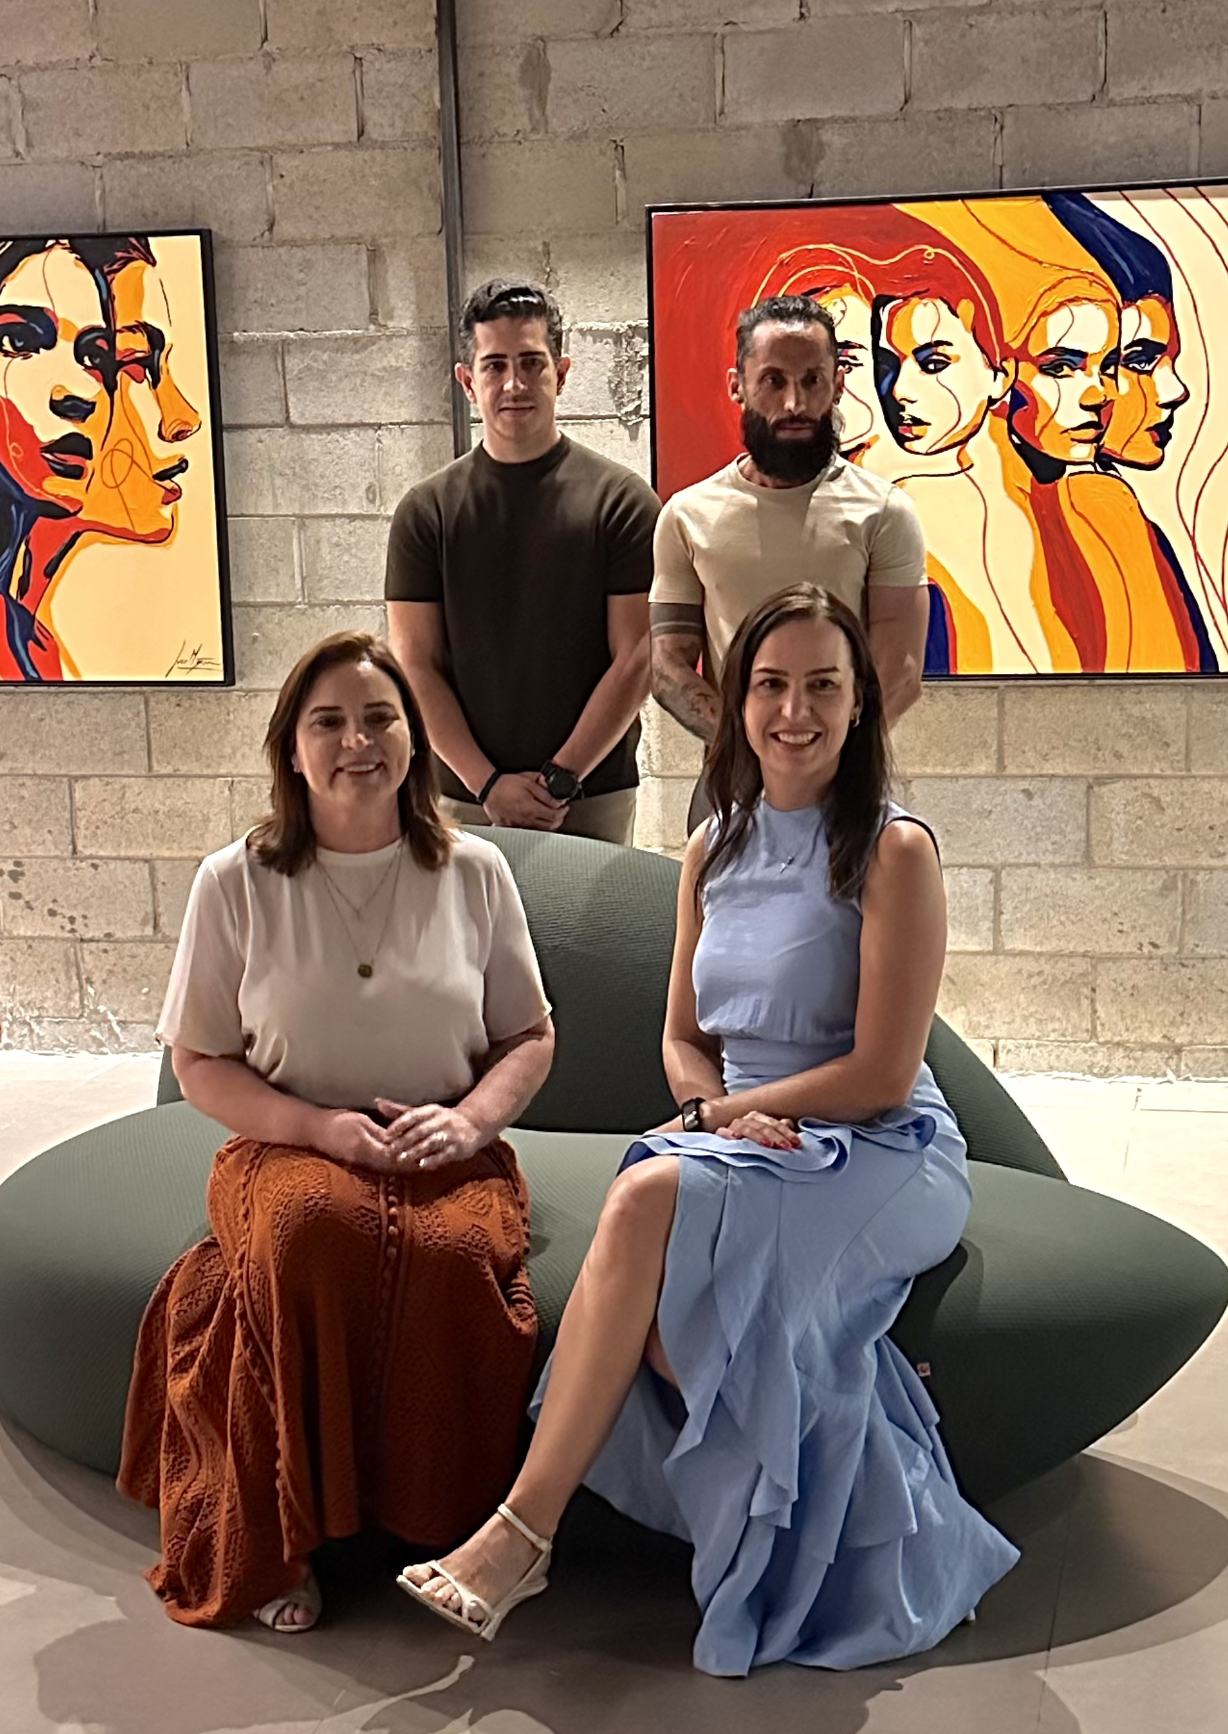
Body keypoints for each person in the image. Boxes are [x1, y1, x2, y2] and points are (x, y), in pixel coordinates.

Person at [399, 584, 1019, 1675]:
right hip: (748, 1139)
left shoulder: (893, 851)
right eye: (770, 686)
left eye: (822, 686)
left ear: (861, 703)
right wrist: (712, 1112)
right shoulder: (712, 847)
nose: (794, 711)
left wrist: (727, 1116)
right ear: (737, 704)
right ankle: (860, 1467)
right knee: (668, 1293)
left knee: (643, 1193)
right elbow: (683, 1038)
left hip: (882, 1147)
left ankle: (521, 1533)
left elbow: (883, 1072)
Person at [117, 631, 555, 1632]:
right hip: (284, 1143)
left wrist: (470, 1120)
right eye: (329, 722)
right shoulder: (235, 880)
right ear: (292, 747)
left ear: (413, 739)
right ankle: (291, 1537)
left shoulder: (475, 870)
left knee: (452, 1254)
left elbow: (529, 1035)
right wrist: (319, 1128)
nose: (357, 741)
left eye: (378, 718)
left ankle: (433, 1524)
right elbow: (200, 1062)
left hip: (445, 1145)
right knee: (311, 1236)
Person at [385, 279, 660, 846]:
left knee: (590, 914)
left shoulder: (623, 502)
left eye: (532, 363)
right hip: (463, 797)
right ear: (468, 382)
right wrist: (488, 785)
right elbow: (414, 663)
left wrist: (560, 780)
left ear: (561, 373)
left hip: (591, 797)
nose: (514, 384)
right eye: (495, 366)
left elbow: (637, 657)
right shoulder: (425, 513)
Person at [649, 297, 928, 828]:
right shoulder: (686, 516)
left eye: (812, 380)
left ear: (838, 384)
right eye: (773, 381)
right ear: (738, 385)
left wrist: (817, 755)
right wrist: (756, 745)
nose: (794, 403)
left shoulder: (885, 513)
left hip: (847, 792)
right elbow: (667, 666)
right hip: (729, 789)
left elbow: (902, 670)